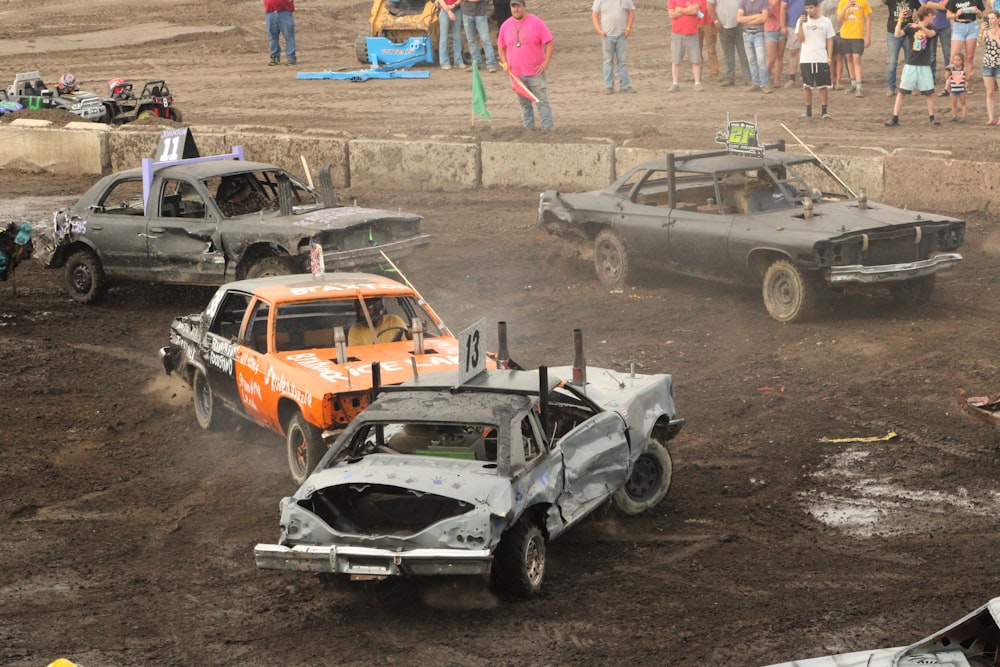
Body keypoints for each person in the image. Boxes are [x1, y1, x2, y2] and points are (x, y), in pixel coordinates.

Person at [497, 0, 555, 130]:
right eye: (513, 7)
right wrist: (505, 63)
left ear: (524, 7)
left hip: (535, 72)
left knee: (542, 103)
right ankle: (529, 132)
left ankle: (549, 132)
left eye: (518, 6)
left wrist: (546, 62)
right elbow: (501, 46)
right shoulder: (505, 26)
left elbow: (550, 42)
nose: (516, 10)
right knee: (524, 105)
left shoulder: (536, 22)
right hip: (516, 75)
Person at [885, 5, 942, 125]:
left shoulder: (932, 28)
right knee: (902, 92)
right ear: (926, 16)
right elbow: (897, 34)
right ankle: (895, 118)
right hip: (911, 64)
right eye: (932, 15)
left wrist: (920, 26)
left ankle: (932, 118)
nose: (934, 17)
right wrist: (900, 19)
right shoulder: (911, 27)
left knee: (929, 93)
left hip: (924, 65)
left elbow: (930, 34)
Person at [798, 0, 836, 117]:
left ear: (817, 7)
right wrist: (800, 24)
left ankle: (824, 111)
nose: (809, 10)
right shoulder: (802, 21)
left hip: (821, 58)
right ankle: (808, 111)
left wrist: (829, 58)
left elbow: (829, 40)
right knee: (806, 86)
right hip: (806, 58)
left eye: (811, 8)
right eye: (807, 8)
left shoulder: (826, 22)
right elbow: (800, 39)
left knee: (822, 86)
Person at [592, 0, 636, 93]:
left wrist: (628, 28)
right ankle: (609, 86)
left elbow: (631, 12)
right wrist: (599, 30)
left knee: (622, 61)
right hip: (607, 36)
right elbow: (594, 14)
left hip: (622, 35)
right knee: (608, 61)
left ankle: (625, 85)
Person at [710, 0, 753, 85]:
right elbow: (709, 5)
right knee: (728, 54)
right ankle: (730, 78)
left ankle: (748, 78)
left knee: (743, 52)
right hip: (723, 25)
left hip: (740, 24)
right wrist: (715, 21)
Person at [835, 0, 873, 96]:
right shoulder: (842, 2)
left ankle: (859, 86)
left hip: (857, 35)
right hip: (845, 35)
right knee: (849, 58)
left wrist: (868, 37)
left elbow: (868, 19)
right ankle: (853, 84)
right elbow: (839, 19)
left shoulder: (863, 2)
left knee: (856, 58)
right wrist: (846, 7)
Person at [886, 0, 922, 96]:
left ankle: (912, 86)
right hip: (893, 31)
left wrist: (916, 15)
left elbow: (921, 8)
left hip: (908, 32)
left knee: (910, 60)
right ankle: (891, 87)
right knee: (892, 61)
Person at [669, 0, 707, 90]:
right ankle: (675, 83)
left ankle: (697, 83)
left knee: (696, 59)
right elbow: (671, 15)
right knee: (676, 59)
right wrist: (687, 10)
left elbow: (695, 11)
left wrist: (680, 10)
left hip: (692, 33)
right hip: (677, 32)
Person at [947, 0, 984, 91]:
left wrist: (978, 12)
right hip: (959, 25)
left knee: (969, 57)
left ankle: (966, 85)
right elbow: (948, 15)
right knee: (953, 57)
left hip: (972, 26)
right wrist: (956, 14)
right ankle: (950, 84)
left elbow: (981, 16)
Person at [738, 0, 773, 91]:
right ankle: (756, 83)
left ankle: (764, 83)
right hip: (747, 34)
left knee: (760, 60)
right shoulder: (744, 1)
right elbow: (739, 18)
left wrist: (747, 21)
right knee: (752, 60)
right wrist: (756, 16)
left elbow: (764, 18)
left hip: (757, 33)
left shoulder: (763, 1)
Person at [920, 0, 951, 89]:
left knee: (949, 54)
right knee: (930, 55)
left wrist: (930, 4)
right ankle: (930, 79)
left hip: (945, 26)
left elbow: (946, 6)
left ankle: (950, 78)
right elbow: (924, 8)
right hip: (930, 27)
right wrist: (938, 5)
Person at [463, 0, 498, 72]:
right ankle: (476, 64)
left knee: (485, 40)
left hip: (480, 14)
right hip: (466, 13)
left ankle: (491, 64)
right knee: (471, 40)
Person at [981, 10, 1000, 124]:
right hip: (988, 63)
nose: (990, 20)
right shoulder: (987, 31)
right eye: (989, 18)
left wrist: (996, 37)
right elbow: (980, 43)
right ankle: (991, 117)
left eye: (993, 18)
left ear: (998, 19)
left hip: (999, 63)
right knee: (989, 92)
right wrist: (982, 30)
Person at [264, 0, 296, 66]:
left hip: (284, 12)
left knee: (289, 36)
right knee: (272, 36)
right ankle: (275, 57)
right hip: (270, 12)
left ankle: (291, 57)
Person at [438, 0, 466, 69]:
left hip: (457, 10)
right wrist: (449, 11)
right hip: (444, 10)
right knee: (443, 37)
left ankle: (458, 61)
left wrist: (454, 5)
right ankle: (444, 62)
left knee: (457, 37)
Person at [764, 0, 786, 91]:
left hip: (781, 27)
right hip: (770, 29)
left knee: (780, 56)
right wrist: (773, 4)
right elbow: (766, 15)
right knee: (771, 58)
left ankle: (777, 79)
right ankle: (765, 79)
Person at [947, 51, 969, 118]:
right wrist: (948, 71)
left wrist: (969, 75)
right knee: (954, 104)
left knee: (963, 103)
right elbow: (946, 77)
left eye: (958, 60)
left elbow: (967, 78)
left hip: (962, 89)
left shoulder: (964, 69)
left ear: (962, 61)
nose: (956, 62)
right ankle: (954, 116)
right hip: (953, 89)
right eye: (955, 60)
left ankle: (964, 116)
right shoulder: (951, 69)